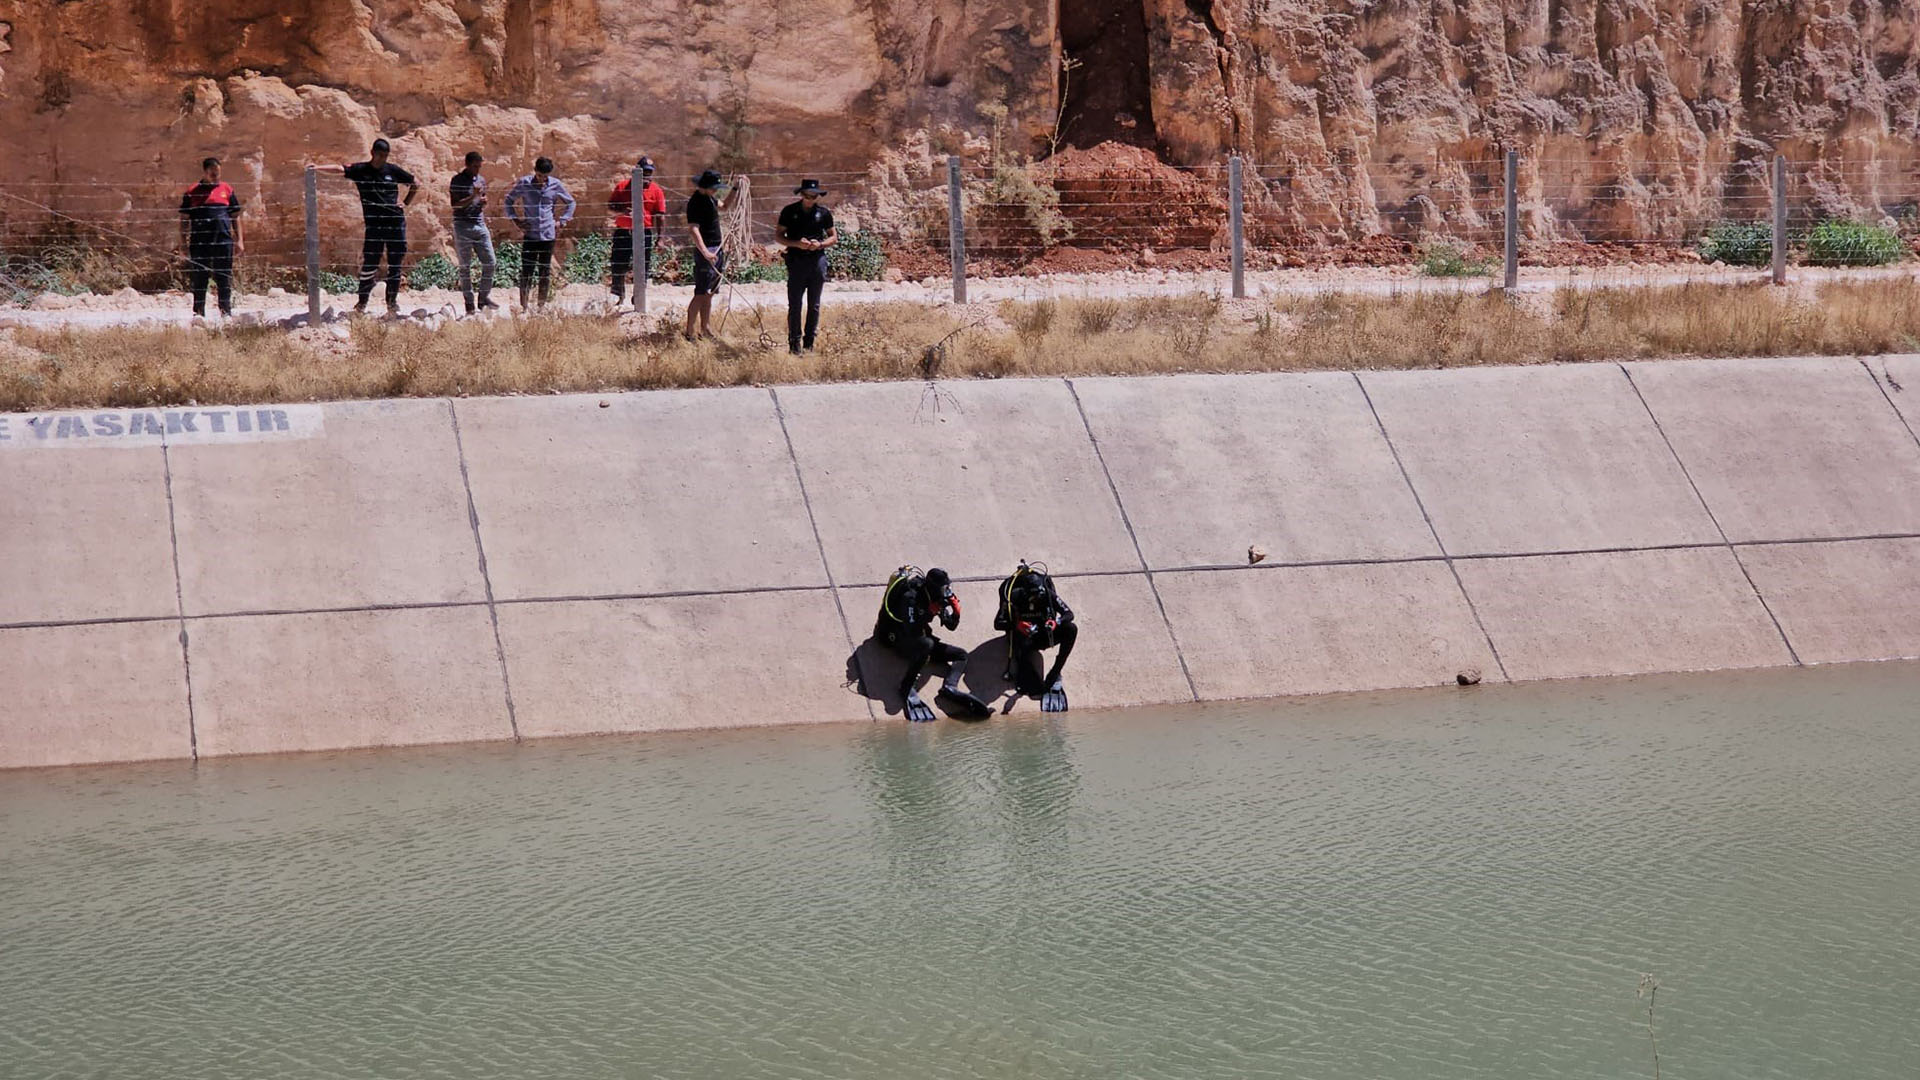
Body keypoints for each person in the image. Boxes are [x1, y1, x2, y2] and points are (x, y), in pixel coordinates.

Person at [875, 566, 993, 722]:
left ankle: (949, 687)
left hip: (922, 642)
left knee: (961, 655)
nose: (947, 590)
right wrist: (929, 612)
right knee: (927, 644)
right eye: (944, 587)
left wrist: (956, 612)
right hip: (898, 639)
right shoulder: (911, 598)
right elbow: (911, 631)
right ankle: (906, 686)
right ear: (933, 587)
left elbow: (950, 625)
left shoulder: (937, 597)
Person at [317, 139, 419, 315]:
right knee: (370, 264)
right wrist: (316, 168)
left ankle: (391, 304)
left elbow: (415, 183)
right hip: (374, 226)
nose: (382, 159)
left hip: (395, 223)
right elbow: (340, 169)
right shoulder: (361, 170)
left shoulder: (392, 170)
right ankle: (362, 303)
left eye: (385, 156)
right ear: (372, 152)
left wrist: (405, 202)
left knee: (395, 264)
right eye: (380, 155)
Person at [995, 561, 1078, 712]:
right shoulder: (1014, 596)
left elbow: (1069, 614)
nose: (1036, 600)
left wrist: (1056, 621)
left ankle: (1055, 672)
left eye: (1038, 596)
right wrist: (1017, 625)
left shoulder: (1047, 593)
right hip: (1024, 639)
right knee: (1021, 645)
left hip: (1045, 633)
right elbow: (998, 623)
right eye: (1032, 597)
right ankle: (1029, 675)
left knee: (1071, 629)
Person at [504, 156, 576, 310]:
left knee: (544, 271)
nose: (542, 179)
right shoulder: (524, 183)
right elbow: (509, 200)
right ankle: (524, 306)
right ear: (535, 171)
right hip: (530, 234)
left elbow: (571, 203)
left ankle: (541, 306)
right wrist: (516, 220)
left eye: (545, 176)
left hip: (548, 234)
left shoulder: (555, 185)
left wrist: (562, 221)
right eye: (540, 175)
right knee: (527, 270)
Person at [177, 156, 244, 320]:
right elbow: (184, 220)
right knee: (200, 277)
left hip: (223, 241)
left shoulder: (226, 189)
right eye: (212, 174)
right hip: (200, 242)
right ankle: (199, 314)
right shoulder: (192, 191)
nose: (216, 177)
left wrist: (239, 240)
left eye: (218, 174)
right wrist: (183, 244)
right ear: (205, 172)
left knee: (224, 277)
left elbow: (236, 216)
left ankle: (226, 313)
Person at [776, 178, 837, 354]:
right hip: (796, 260)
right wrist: (796, 243)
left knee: (814, 304)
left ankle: (809, 343)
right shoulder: (789, 211)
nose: (810, 199)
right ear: (801, 195)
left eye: (814, 196)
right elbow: (779, 236)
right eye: (807, 196)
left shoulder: (823, 213)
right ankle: (794, 345)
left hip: (817, 259)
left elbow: (833, 237)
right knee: (795, 304)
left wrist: (820, 244)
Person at [683, 168, 740, 341]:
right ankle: (689, 332)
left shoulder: (709, 198)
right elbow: (693, 229)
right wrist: (705, 251)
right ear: (705, 186)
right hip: (707, 252)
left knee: (709, 292)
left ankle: (705, 328)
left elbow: (725, 207)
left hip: (716, 249)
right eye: (714, 187)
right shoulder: (695, 202)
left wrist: (736, 189)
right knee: (701, 292)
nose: (716, 190)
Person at [608, 155, 668, 307]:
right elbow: (611, 206)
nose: (646, 176)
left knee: (643, 265)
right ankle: (617, 295)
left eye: (649, 173)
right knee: (618, 263)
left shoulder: (656, 191)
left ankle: (639, 296)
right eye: (644, 172)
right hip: (623, 231)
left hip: (644, 232)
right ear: (637, 171)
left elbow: (660, 216)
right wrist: (623, 211)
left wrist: (660, 239)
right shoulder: (622, 186)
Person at [448, 150, 498, 314]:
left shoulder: (481, 180)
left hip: (479, 223)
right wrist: (473, 197)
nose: (478, 169)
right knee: (465, 266)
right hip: (462, 226)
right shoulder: (457, 180)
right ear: (467, 165)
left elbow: (480, 199)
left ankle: (483, 298)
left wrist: (482, 201)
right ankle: (469, 303)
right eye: (475, 166)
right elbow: (455, 205)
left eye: (479, 166)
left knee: (490, 262)